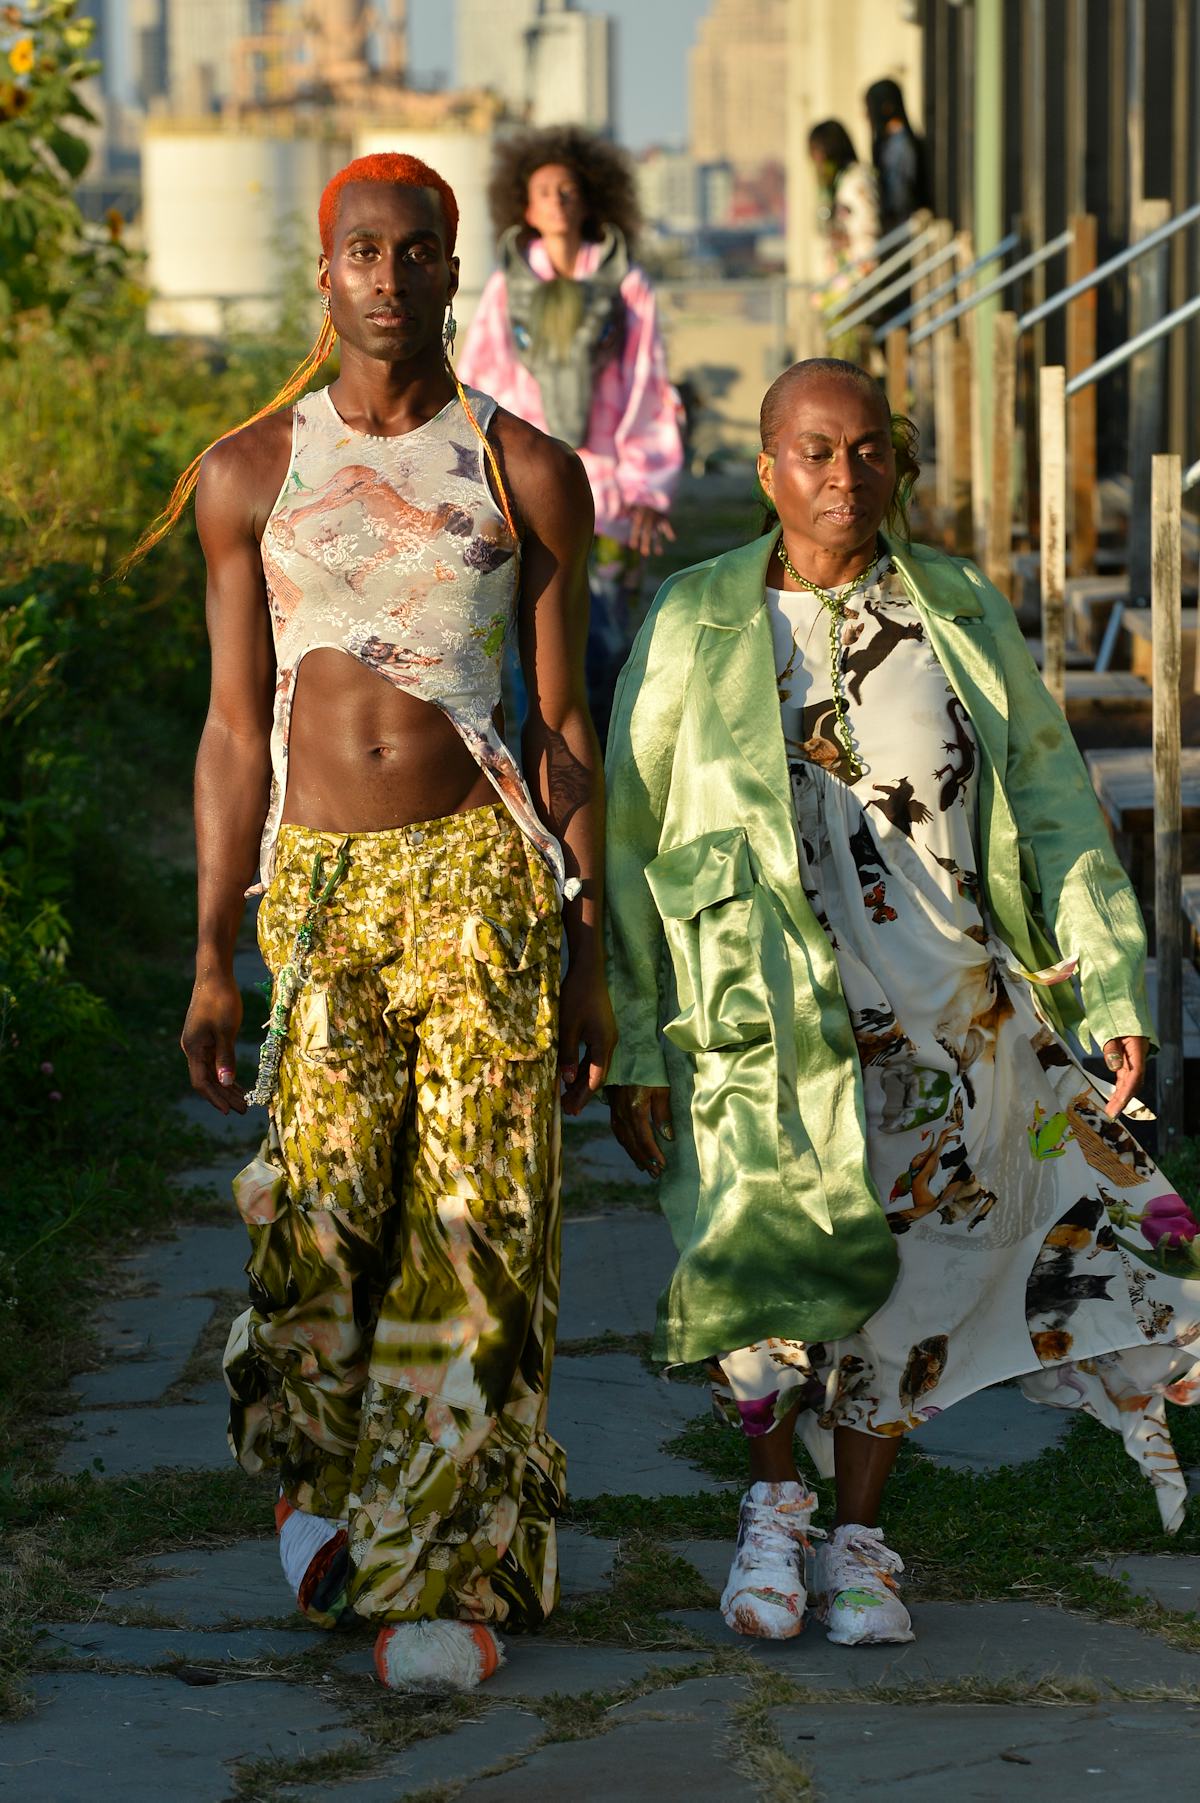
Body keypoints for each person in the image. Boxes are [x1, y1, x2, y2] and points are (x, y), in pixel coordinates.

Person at [603, 356, 1200, 1649]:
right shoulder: (699, 614)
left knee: (912, 1273)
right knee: (754, 1257)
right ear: (767, 467)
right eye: (813, 450)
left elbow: (1049, 794)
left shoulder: (960, 610)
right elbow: (633, 827)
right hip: (754, 1003)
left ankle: (862, 1537)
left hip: (940, 1010)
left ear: (897, 462)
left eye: (868, 448)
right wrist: (637, 1030)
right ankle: (775, 1509)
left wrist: (1102, 970)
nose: (843, 474)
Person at [127, 152, 616, 1692]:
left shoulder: (525, 470)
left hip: (480, 887)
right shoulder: (248, 472)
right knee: (317, 1231)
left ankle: (441, 1576)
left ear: (454, 270)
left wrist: (593, 962)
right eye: (360, 252)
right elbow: (228, 730)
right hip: (322, 902)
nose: (387, 278)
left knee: (469, 1243)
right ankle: (317, 1477)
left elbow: (562, 728)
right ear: (322, 276)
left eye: (417, 252)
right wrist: (215, 949)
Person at [457, 125, 683, 740]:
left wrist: (645, 489)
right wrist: (478, 479)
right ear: (524, 209)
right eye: (544, 192)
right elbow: (477, 386)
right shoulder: (506, 290)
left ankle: (611, 804)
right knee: (527, 656)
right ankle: (539, 809)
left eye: (568, 189)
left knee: (608, 651)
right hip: (523, 496)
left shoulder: (628, 286)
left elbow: (648, 386)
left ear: (588, 200)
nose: (557, 201)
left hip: (607, 499)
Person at [807, 119, 880, 364]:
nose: (815, 162)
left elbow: (866, 230)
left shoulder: (855, 181)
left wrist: (860, 272)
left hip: (855, 279)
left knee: (847, 355)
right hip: (840, 280)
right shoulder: (837, 183)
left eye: (818, 153)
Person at [864, 78, 927, 238]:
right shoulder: (888, 142)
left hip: (903, 232)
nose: (866, 115)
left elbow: (900, 197)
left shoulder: (900, 145)